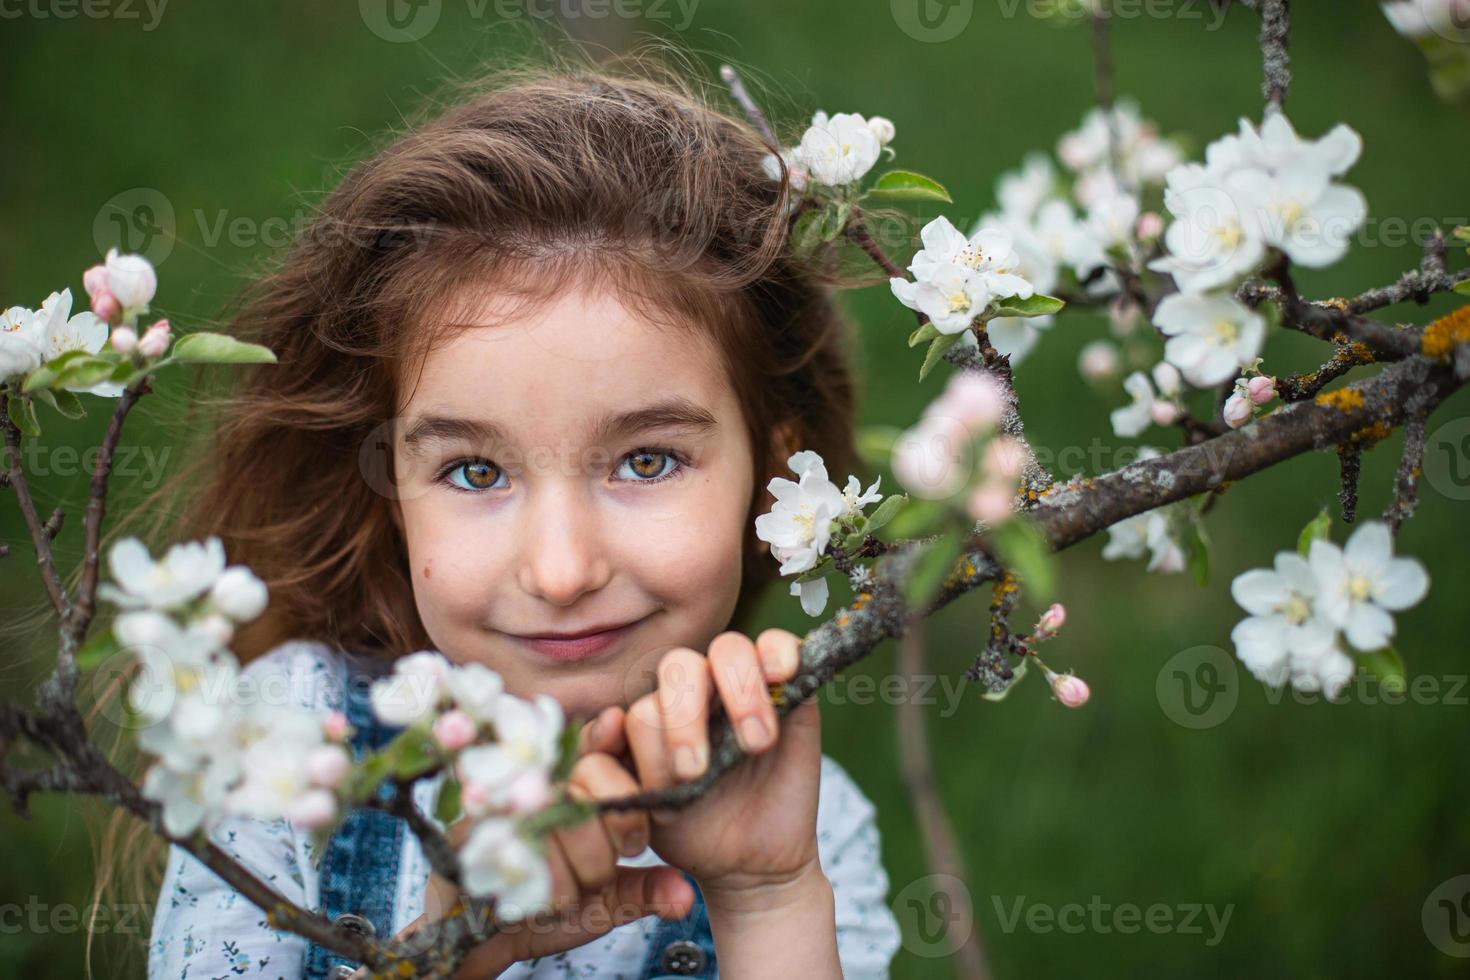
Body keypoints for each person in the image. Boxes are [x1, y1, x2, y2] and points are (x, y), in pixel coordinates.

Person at [142, 53, 902, 979]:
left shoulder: (810, 822)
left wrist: (766, 901)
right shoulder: (288, 745)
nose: (560, 570)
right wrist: (447, 958)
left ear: (775, 476)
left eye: (646, 460)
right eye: (472, 471)